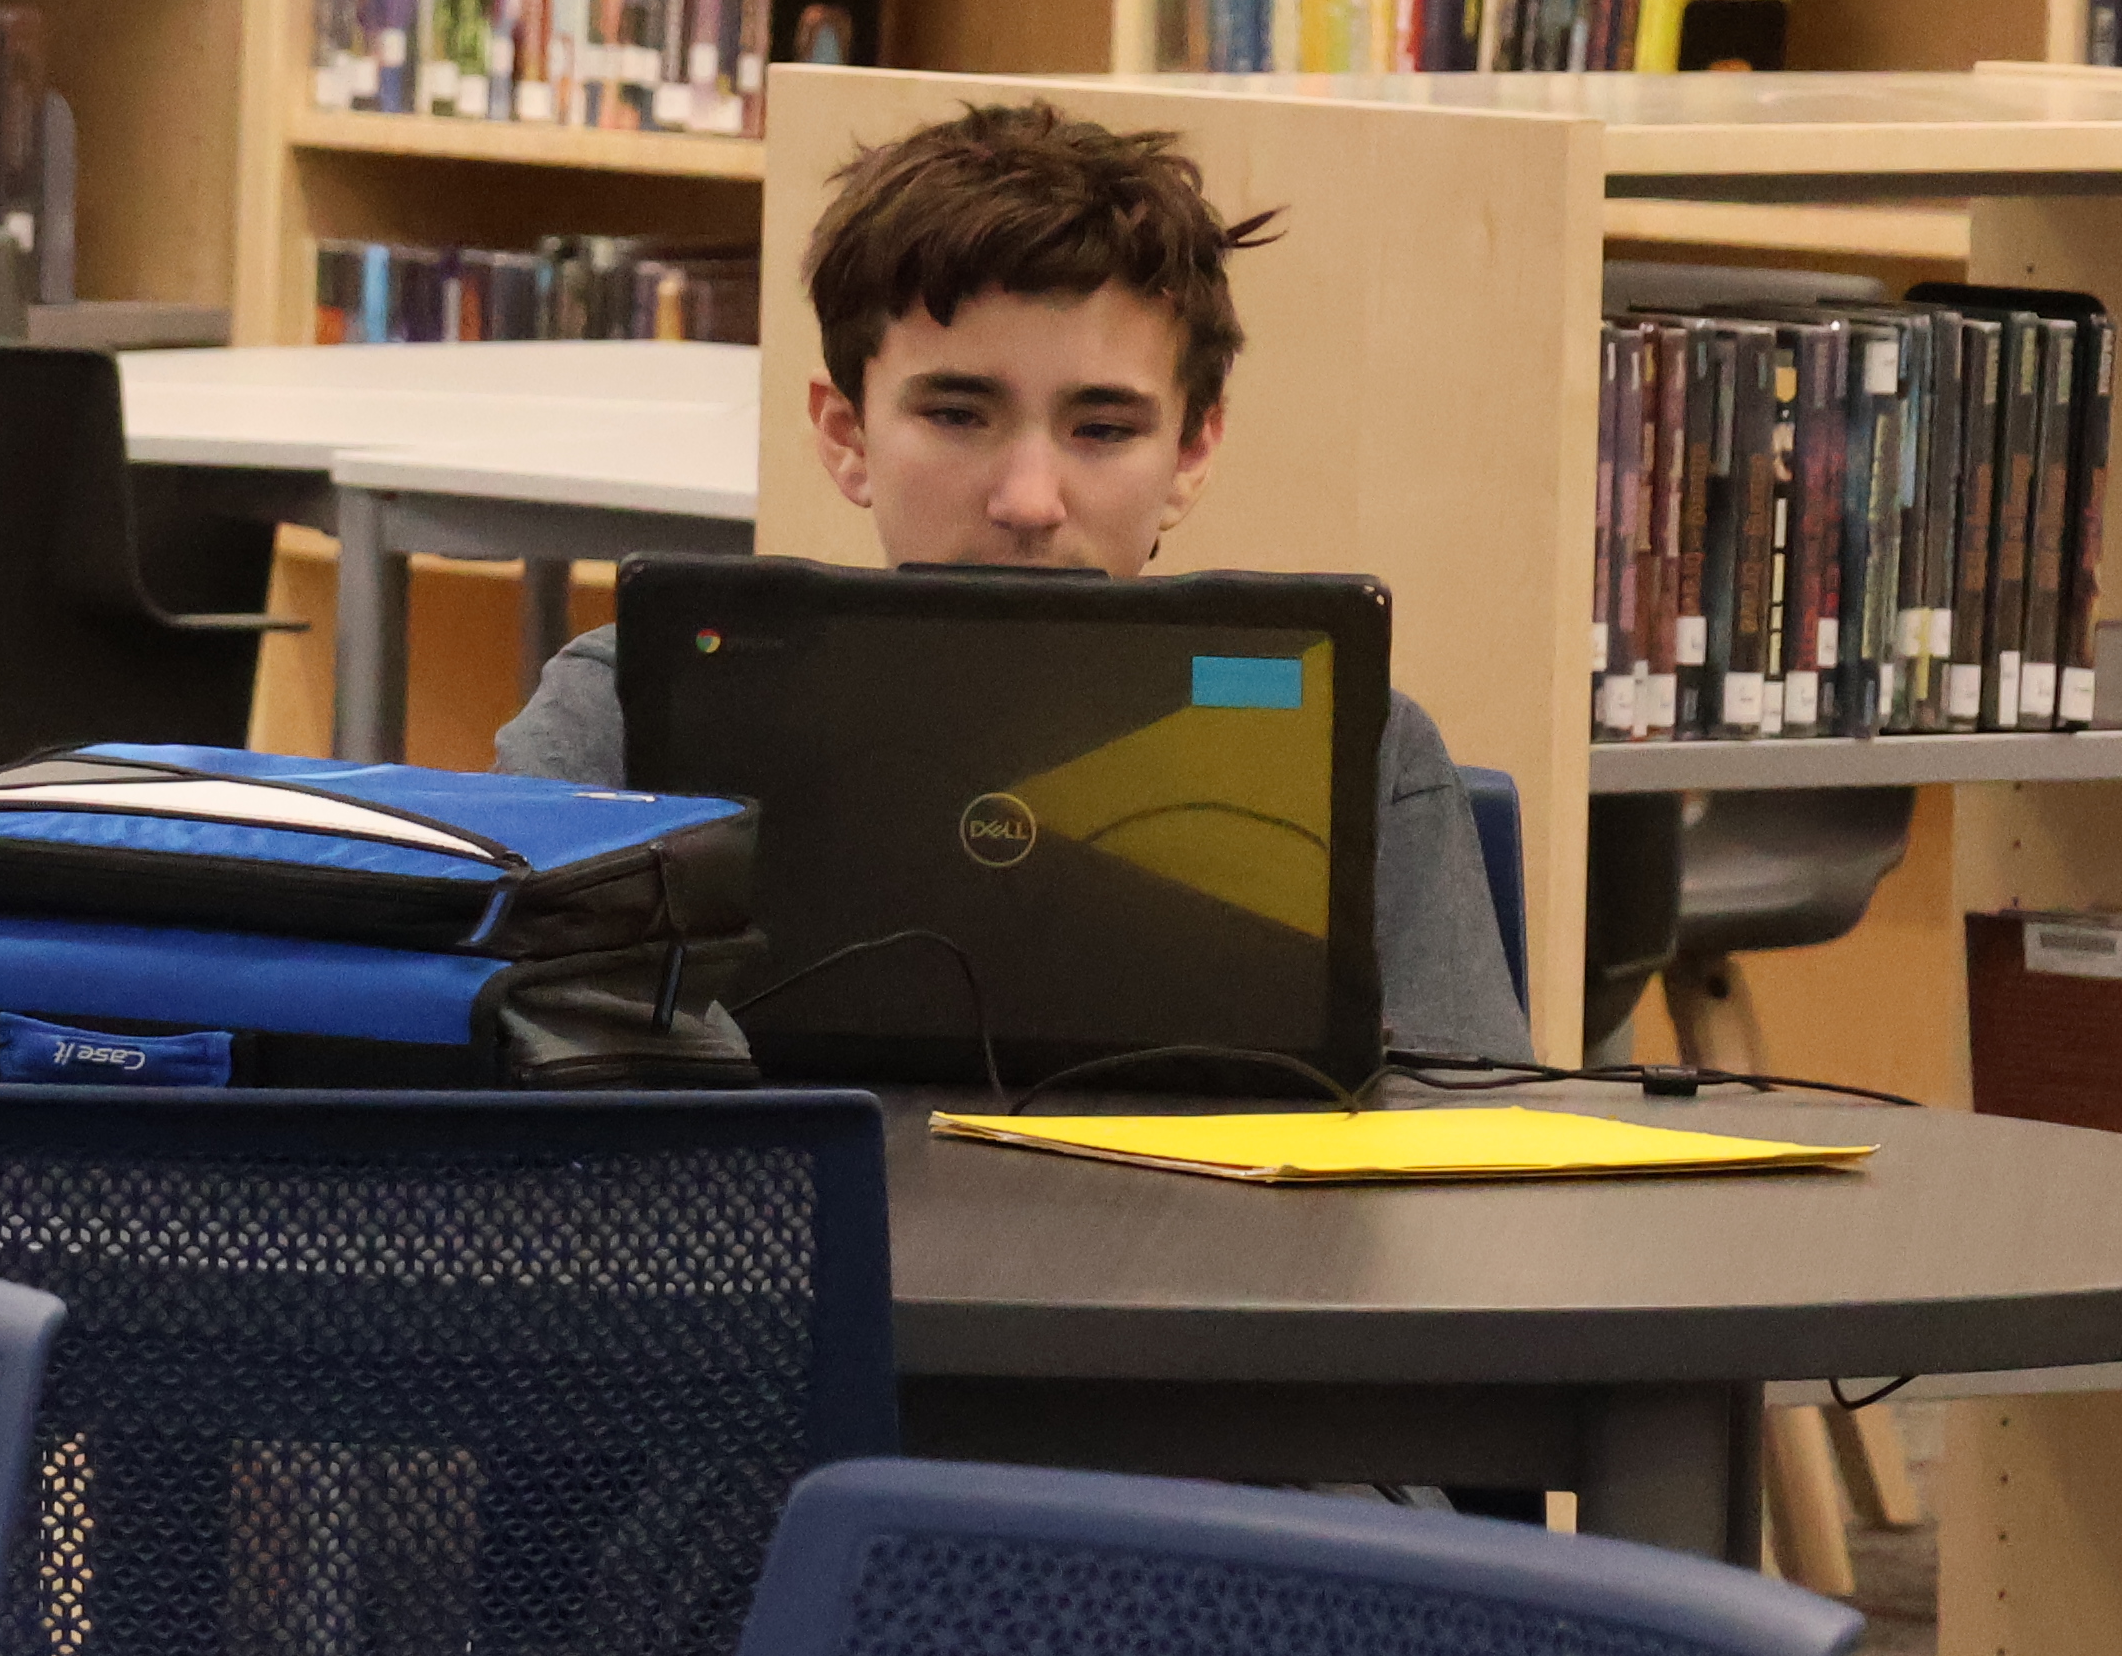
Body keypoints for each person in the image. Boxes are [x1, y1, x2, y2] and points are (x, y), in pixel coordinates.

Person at [492, 96, 1532, 1068]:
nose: (1030, 499)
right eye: (957, 414)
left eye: (1105, 429)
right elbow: (494, 1093)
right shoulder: (623, 714)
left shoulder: (1358, 743)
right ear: (845, 432)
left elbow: (1460, 1157)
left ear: (1192, 454)